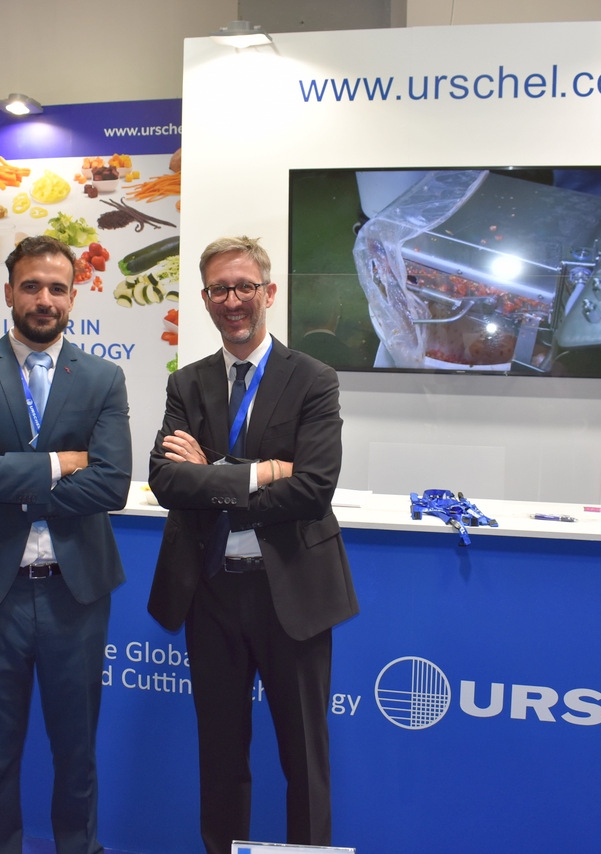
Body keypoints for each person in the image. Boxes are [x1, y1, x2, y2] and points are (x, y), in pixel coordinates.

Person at [147, 235, 359, 854]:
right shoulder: (187, 383)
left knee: (305, 759)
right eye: (219, 289)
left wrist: (211, 476)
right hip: (210, 592)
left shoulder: (313, 379)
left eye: (244, 286)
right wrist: (263, 471)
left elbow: (313, 489)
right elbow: (165, 481)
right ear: (205, 298)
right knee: (219, 753)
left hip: (291, 591)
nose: (232, 300)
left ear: (268, 292)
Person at [0, 235, 131, 854]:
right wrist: (61, 463)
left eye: (57, 288)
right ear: (9, 292)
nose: (44, 299)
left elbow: (111, 484)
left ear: (74, 297)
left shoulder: (102, 378)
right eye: (31, 286)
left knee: (77, 753)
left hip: (76, 594)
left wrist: (5, 471)